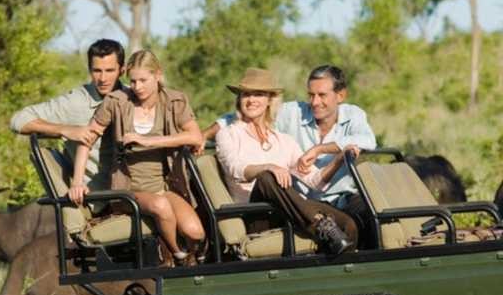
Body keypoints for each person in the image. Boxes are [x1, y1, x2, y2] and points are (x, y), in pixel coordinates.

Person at [204, 65, 377, 245]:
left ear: (270, 100)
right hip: (256, 211)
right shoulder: (228, 134)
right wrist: (269, 167)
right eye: (246, 94)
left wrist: (339, 158)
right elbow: (236, 169)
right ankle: (319, 223)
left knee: (348, 225)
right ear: (239, 99)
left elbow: (314, 181)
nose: (251, 100)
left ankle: (338, 264)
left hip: (288, 209)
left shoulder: (283, 140)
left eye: (258, 95)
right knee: (266, 178)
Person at [67, 50, 205, 265]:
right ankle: (178, 254)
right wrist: (76, 182)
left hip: (164, 187)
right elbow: (86, 139)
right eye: (132, 81)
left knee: (195, 232)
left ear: (157, 75)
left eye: (143, 80)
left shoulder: (174, 100)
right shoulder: (117, 101)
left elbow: (195, 135)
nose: (137, 87)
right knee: (160, 207)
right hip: (129, 191)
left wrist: (148, 141)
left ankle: (190, 250)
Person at [11, 38, 125, 201]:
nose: (102, 78)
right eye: (97, 71)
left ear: (122, 70)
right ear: (89, 70)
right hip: (96, 197)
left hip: (130, 186)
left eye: (109, 70)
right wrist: (66, 130)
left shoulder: (132, 96)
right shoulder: (76, 102)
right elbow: (19, 120)